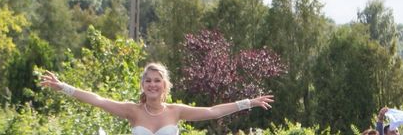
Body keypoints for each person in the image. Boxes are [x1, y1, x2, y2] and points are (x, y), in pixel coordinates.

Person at [40, 62, 275, 135]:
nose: (152, 84)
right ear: (143, 85)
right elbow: (97, 100)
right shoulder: (133, 111)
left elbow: (213, 111)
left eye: (157, 80)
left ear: (164, 85)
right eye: (148, 80)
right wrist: (63, 87)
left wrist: (249, 102)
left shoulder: (176, 111)